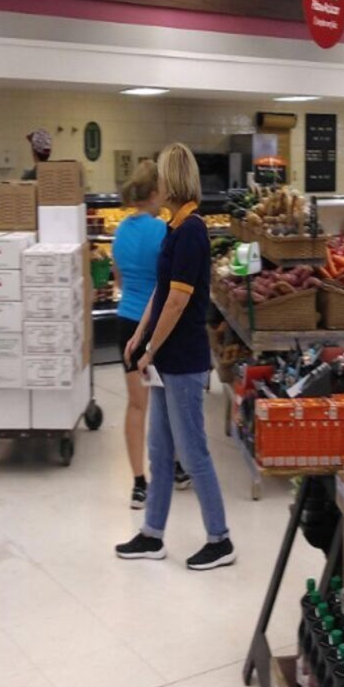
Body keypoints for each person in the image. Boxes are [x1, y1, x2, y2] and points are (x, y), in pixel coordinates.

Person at [115, 143, 235, 571]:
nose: (158, 183)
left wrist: (150, 349)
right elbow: (160, 290)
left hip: (183, 360)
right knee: (160, 449)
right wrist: (140, 335)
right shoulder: (173, 227)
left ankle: (220, 539)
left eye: (163, 176)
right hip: (167, 360)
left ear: (174, 181)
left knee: (193, 452)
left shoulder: (193, 232)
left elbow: (178, 302)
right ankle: (152, 534)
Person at [113, 160, 190, 507]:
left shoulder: (120, 231)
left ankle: (138, 484)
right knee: (166, 399)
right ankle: (174, 467)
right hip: (157, 326)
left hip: (126, 322)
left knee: (136, 404)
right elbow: (173, 285)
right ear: (156, 193)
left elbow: (119, 281)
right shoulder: (163, 231)